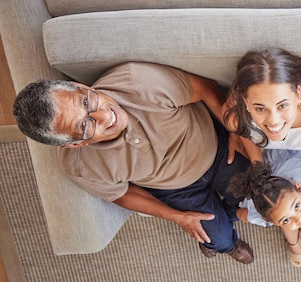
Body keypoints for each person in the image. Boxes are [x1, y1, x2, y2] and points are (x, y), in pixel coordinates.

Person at [12, 62, 254, 264]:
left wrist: (232, 129)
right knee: (218, 240)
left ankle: (229, 215)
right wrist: (176, 217)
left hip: (217, 149)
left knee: (256, 197)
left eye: (86, 102)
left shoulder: (136, 81)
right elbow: (122, 194)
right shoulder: (79, 166)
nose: (106, 115)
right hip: (176, 189)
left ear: (80, 87)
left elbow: (204, 88)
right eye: (85, 125)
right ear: (74, 144)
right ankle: (228, 244)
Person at [222, 47, 301, 260]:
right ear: (246, 103)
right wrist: (258, 168)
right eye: (260, 108)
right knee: (282, 209)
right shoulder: (237, 118)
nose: (273, 121)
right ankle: (295, 238)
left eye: (282, 105)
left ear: (297, 95)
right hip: (270, 160)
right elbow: (244, 132)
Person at [228, 149, 301, 267]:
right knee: (286, 221)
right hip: (289, 191)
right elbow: (241, 214)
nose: (298, 219)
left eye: (296, 206)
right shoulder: (266, 206)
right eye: (286, 218)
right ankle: (294, 243)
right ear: (266, 220)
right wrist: (276, 219)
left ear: (299, 188)